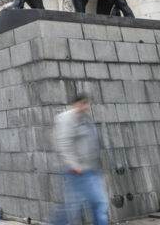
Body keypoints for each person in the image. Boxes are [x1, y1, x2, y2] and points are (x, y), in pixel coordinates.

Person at [53, 94, 109, 225]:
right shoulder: (66, 119)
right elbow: (63, 143)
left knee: (98, 203)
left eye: (87, 103)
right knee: (71, 207)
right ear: (75, 104)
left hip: (92, 168)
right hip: (77, 170)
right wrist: (73, 165)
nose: (85, 106)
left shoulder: (86, 119)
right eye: (82, 103)